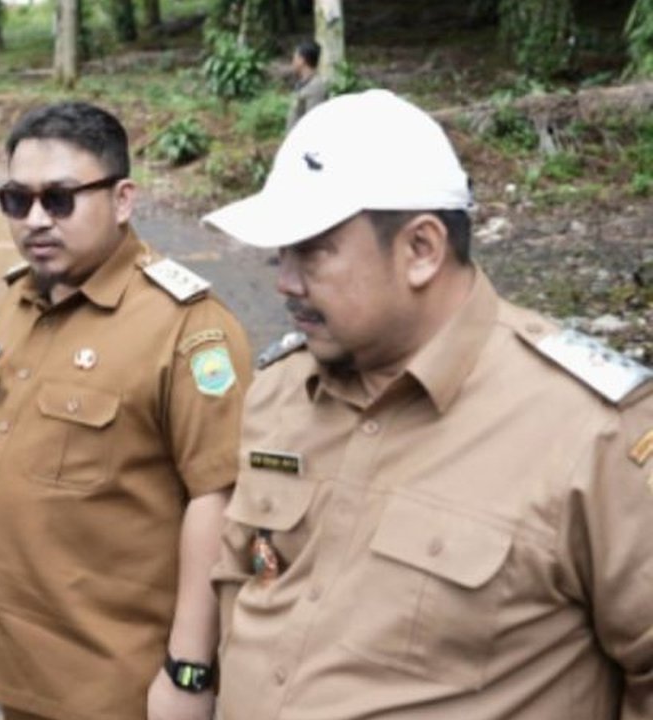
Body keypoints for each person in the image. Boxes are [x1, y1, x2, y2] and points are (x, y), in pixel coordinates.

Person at [202, 89, 653, 719]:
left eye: (312, 251)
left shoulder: (588, 430)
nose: (284, 282)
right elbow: (243, 573)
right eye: (281, 254)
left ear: (421, 250)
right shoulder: (281, 390)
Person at [0, 101, 253, 720]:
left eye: (60, 199)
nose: (35, 220)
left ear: (122, 200)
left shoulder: (187, 328)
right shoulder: (19, 301)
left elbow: (218, 499)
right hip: (19, 664)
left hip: (115, 681)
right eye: (17, 200)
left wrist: (189, 671)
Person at [286, 39, 328, 131]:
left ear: (302, 60)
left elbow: (313, 124)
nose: (293, 62)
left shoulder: (315, 88)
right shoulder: (303, 84)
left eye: (295, 58)